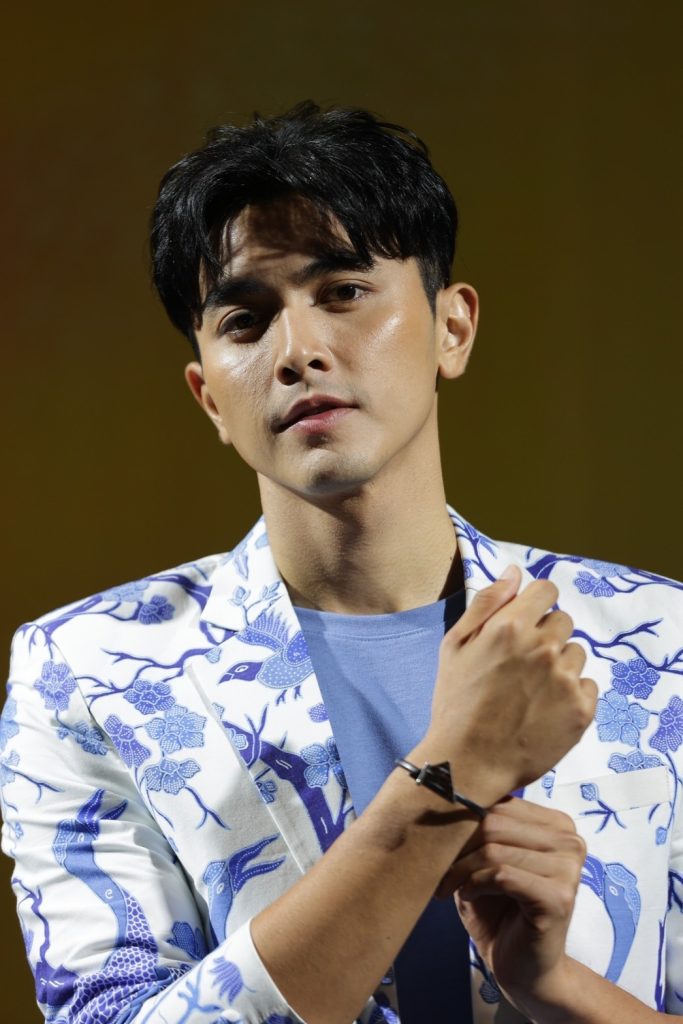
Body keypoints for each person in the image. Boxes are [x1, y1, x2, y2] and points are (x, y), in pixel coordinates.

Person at [1, 102, 682, 1024]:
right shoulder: (85, 671)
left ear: (452, 328)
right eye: (245, 319)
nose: (298, 352)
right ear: (208, 397)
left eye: (344, 291)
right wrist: (446, 777)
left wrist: (556, 987)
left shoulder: (657, 643)